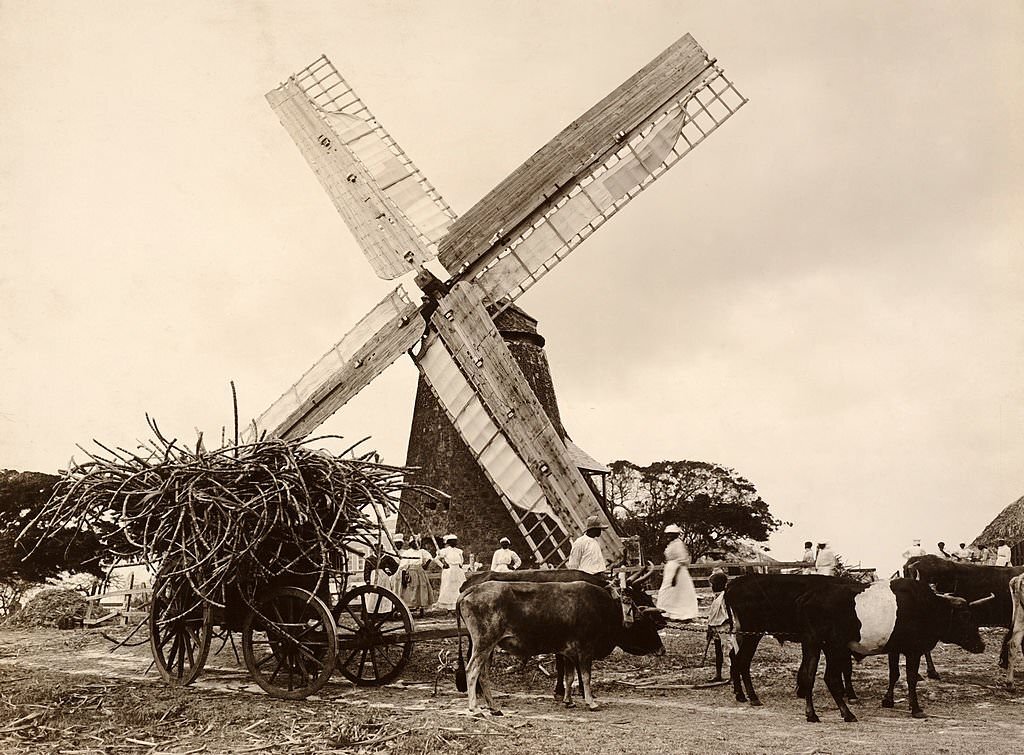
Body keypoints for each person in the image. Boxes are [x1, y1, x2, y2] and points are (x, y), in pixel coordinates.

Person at [656, 524, 698, 621]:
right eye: (668, 534)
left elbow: (682, 560)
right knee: (669, 592)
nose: (668, 536)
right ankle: (667, 613)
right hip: (670, 570)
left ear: (676, 535)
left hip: (678, 572)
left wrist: (675, 576)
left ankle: (682, 615)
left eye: (671, 534)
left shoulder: (678, 544)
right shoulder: (671, 544)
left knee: (679, 592)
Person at [398, 537, 435, 617]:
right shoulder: (407, 553)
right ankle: (410, 609)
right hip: (411, 572)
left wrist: (425, 566)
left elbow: (430, 558)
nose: (416, 544)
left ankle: (422, 609)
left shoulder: (421, 552)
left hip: (420, 572)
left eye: (418, 542)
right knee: (411, 589)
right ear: (411, 544)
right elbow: (403, 566)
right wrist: (404, 576)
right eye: (415, 542)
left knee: (422, 589)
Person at [706, 567, 730, 682]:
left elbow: (727, 614)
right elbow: (712, 614)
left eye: (713, 584)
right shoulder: (715, 597)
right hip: (715, 626)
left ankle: (733, 674)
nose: (712, 586)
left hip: (724, 626)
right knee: (718, 651)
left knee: (728, 650)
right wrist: (709, 627)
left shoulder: (725, 597)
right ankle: (718, 674)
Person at [434, 534, 466, 610]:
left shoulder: (459, 551)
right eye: (453, 541)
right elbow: (436, 559)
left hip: (458, 571)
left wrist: (460, 565)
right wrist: (443, 565)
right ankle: (449, 609)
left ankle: (458, 606)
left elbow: (462, 559)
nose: (455, 543)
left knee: (459, 587)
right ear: (449, 542)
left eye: (455, 541)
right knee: (448, 588)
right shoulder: (444, 551)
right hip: (449, 571)